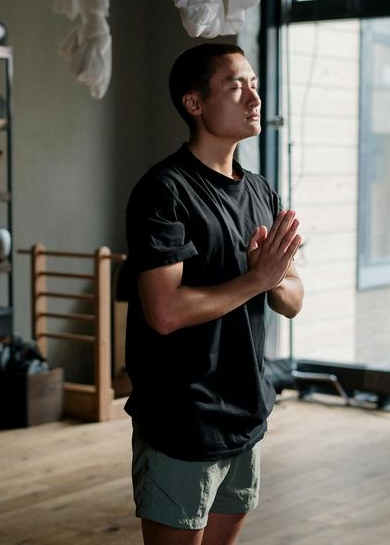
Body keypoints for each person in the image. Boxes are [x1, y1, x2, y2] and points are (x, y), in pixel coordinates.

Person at [124, 42, 303, 545]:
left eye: (254, 84)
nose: (254, 97)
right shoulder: (165, 190)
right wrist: (257, 279)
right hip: (183, 416)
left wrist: (274, 276)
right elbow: (163, 312)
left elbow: (292, 299)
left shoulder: (262, 191)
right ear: (194, 103)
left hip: (246, 410)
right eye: (235, 85)